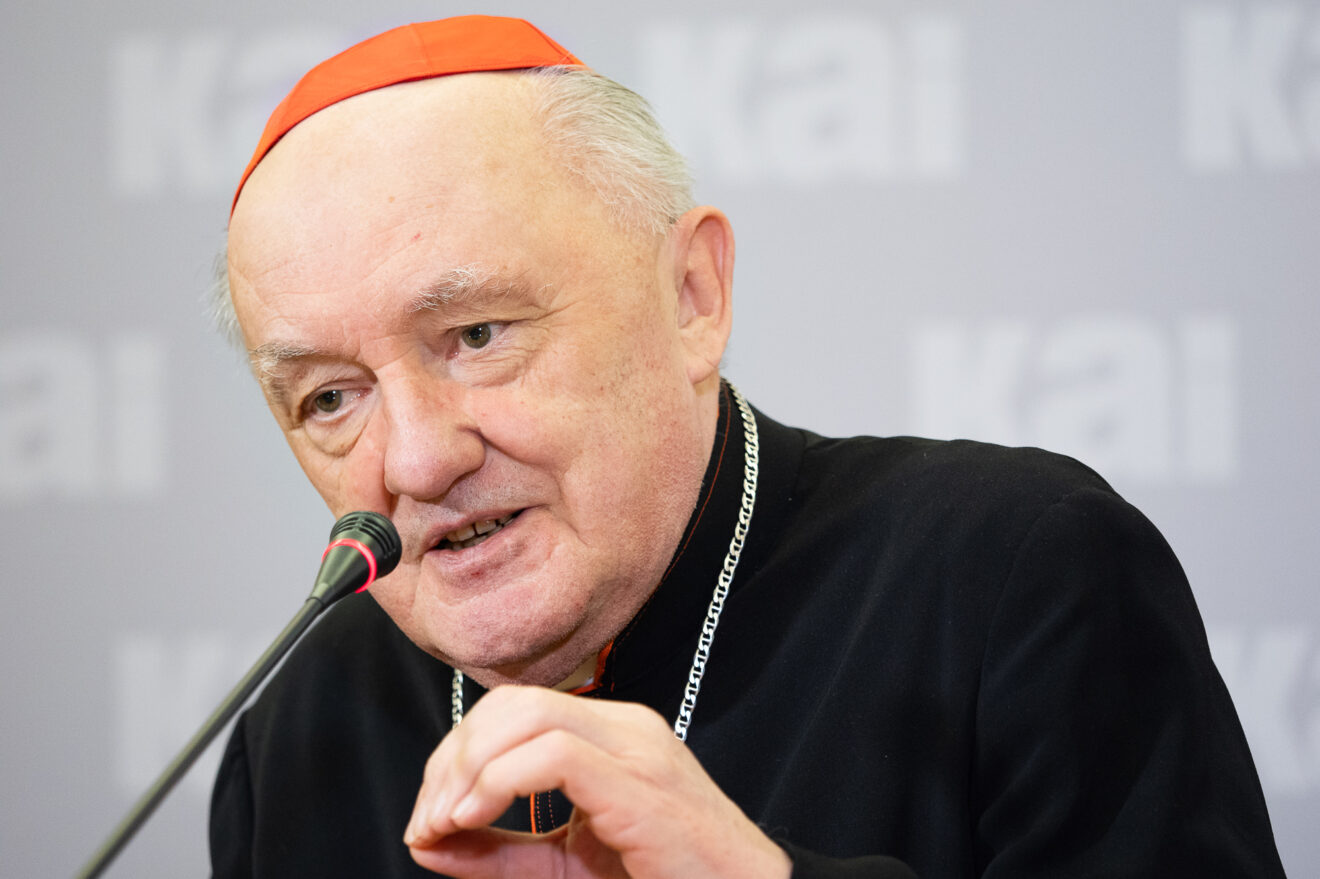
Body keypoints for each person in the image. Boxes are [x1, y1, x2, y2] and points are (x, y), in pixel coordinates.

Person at [209, 15, 1286, 879]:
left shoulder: (1016, 578)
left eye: (478, 335)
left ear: (693, 296)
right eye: (330, 398)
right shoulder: (302, 739)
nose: (414, 462)